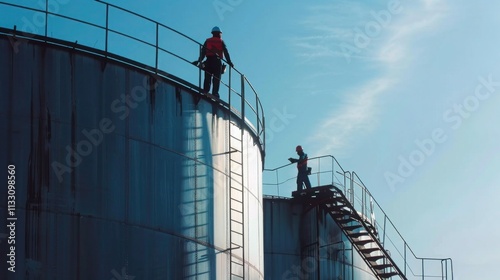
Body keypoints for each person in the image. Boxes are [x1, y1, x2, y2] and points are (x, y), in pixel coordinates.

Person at [197, 26, 233, 98]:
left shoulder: (207, 41)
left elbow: (203, 52)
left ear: (212, 33)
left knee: (207, 77)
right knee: (216, 79)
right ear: (219, 33)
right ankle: (215, 93)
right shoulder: (221, 41)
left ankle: (205, 91)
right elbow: (226, 52)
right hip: (217, 61)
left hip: (209, 61)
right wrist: (230, 62)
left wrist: (199, 60)